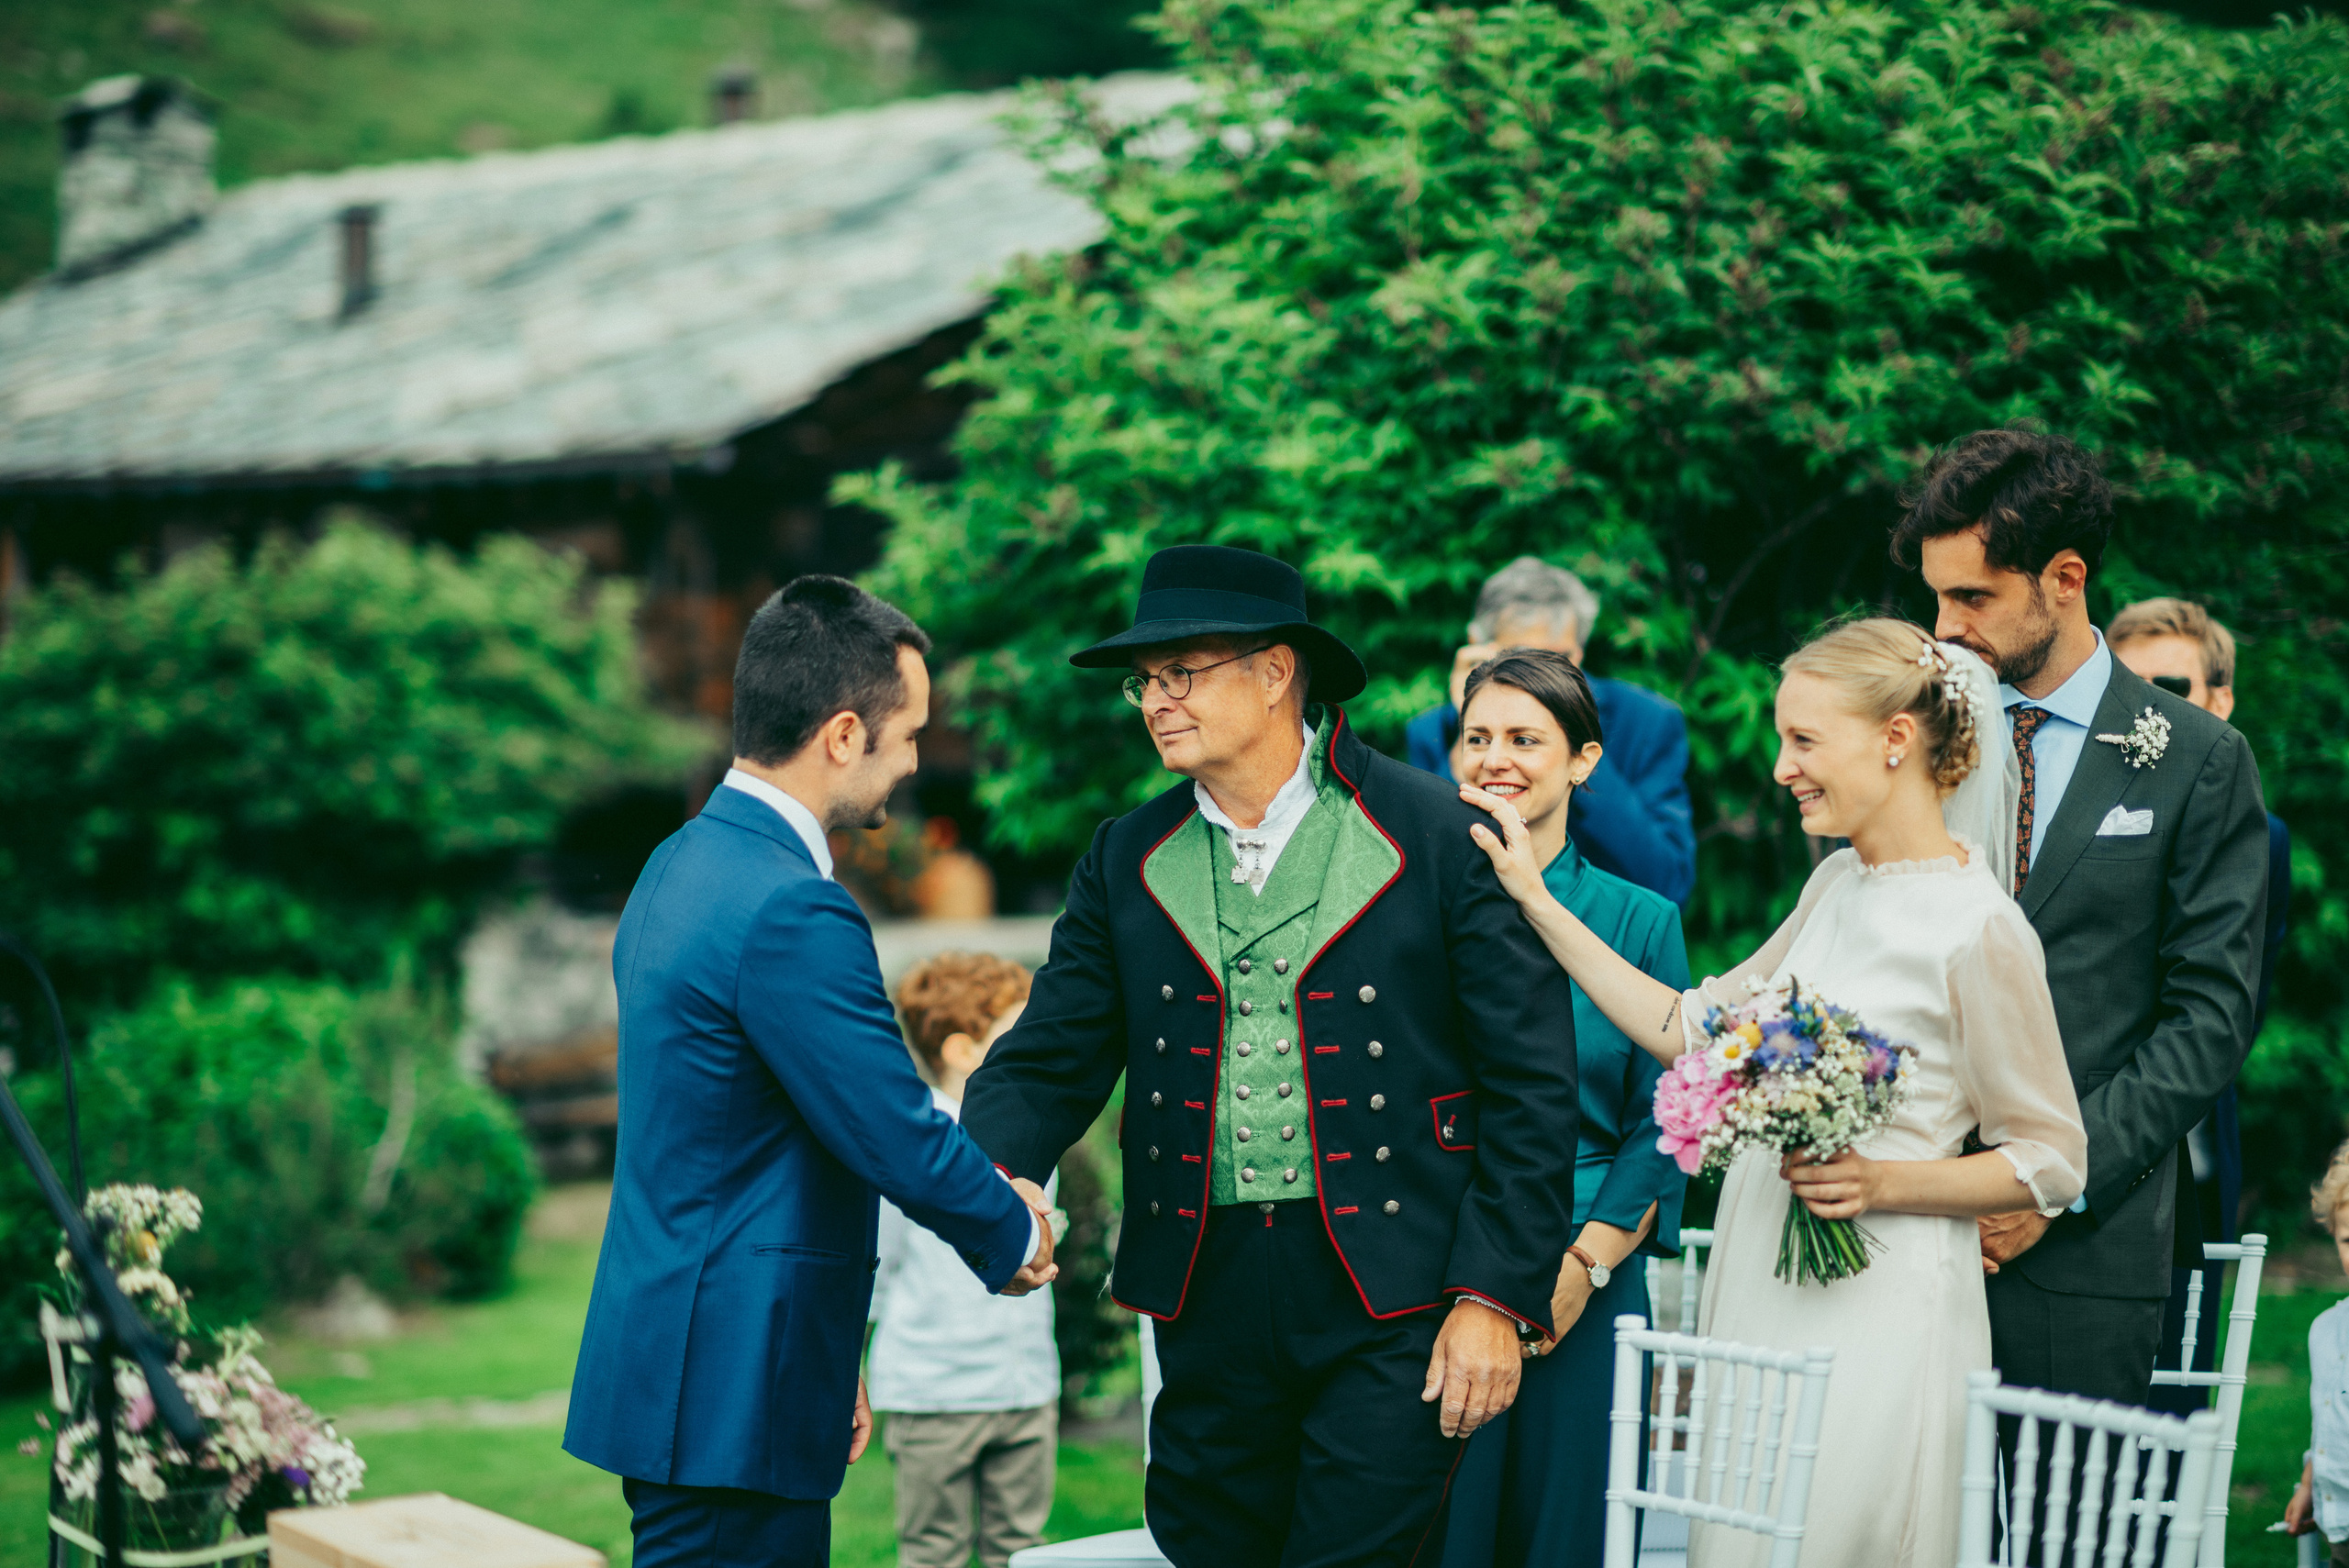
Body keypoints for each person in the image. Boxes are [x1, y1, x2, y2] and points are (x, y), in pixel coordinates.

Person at [962, 544, 1584, 1568]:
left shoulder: (1439, 833)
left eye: (1181, 672)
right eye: (1144, 681)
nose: (1155, 701)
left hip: (1397, 1284)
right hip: (1204, 1289)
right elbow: (1047, 1057)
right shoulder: (1124, 855)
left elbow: (1531, 1084)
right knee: (1210, 1545)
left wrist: (1490, 1294)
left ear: (1275, 672)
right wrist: (993, 1173)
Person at [1461, 616, 2089, 1568]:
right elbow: (1689, 1026)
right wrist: (1537, 900)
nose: (1780, 767)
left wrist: (1881, 1182)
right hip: (1768, 1270)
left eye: (1803, 739)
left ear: (1894, 739)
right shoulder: (1837, 883)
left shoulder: (1978, 927)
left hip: (1881, 1293)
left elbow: (2051, 1157)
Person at [563, 577, 1058, 1568]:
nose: (914, 760)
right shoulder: (791, 906)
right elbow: (887, 1120)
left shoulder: (678, 863)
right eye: (907, 735)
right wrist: (1010, 1229)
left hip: (704, 1358)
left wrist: (827, 1351)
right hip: (731, 1383)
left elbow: (743, 1132)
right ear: (842, 735)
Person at [1893, 430, 2271, 1417]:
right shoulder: (1908, 737)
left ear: (2064, 579)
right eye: (1936, 598)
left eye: (1971, 598)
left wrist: (2045, 1181)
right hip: (1901, 1229)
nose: (1944, 628)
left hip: (2081, 1254)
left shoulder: (2197, 758)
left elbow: (2207, 1020)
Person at [1436, 649, 1689, 1568]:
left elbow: (1668, 1117)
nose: (1495, 757)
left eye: (1524, 738)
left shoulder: (1642, 919)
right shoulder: (1410, 908)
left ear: (1583, 761)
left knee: (1567, 1538)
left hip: (1590, 1261)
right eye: (1477, 737)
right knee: (1442, 1532)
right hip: (1439, 1269)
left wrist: (1586, 1263)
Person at [2107, 596, 2292, 1417]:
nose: (2150, 708)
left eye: (2172, 686)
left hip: (2186, 1146)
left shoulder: (2260, 837)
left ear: (2220, 699)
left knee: (2178, 1391)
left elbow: (2233, 1009)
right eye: (2130, 686)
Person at [872, 952, 1060, 1568]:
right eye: (1017, 1029)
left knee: (1022, 1551)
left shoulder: (1030, 1136)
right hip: (935, 1394)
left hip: (1026, 1386)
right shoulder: (913, 1146)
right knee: (934, 1552)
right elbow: (878, 1264)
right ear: (962, 1051)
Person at [1404, 557, 1696, 905]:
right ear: (1477, 647)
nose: (1539, 680)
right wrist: (1468, 730)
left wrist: (1573, 742)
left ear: (1580, 652)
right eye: (1520, 658)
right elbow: (1420, 877)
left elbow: (1667, 883)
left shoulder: (1647, 721)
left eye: (1558, 659)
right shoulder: (1432, 731)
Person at [2283, 1139, 2349, 1561]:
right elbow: (2326, 1420)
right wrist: (2310, 1484)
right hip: (2338, 1521)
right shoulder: (2325, 1330)